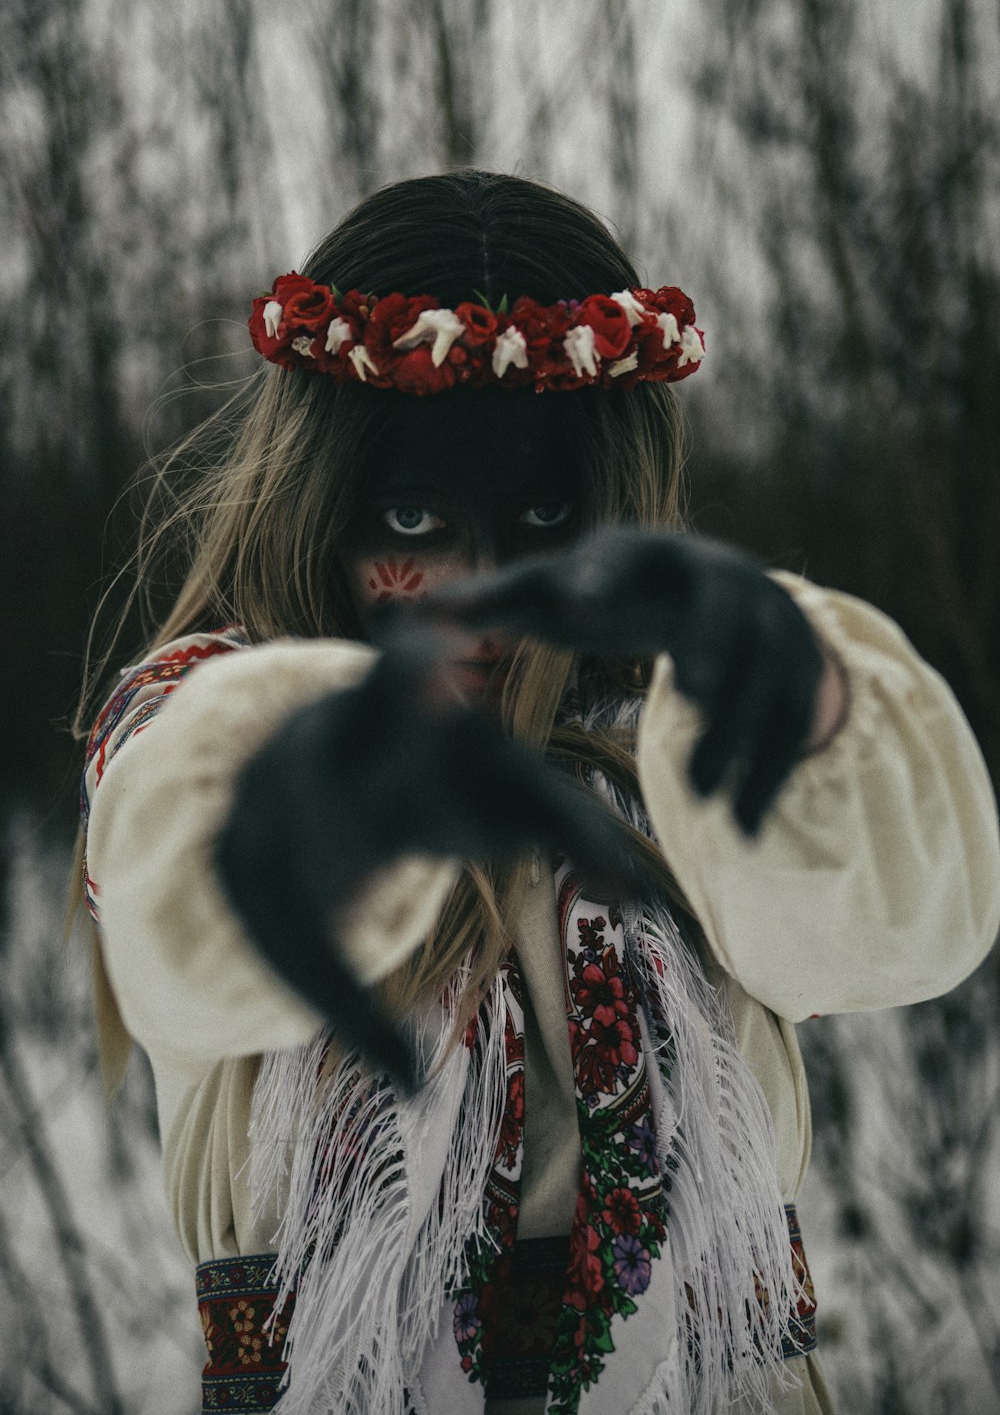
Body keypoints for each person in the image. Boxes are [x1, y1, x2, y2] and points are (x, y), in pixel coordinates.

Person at [75, 169, 1000, 1415]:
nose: (477, 583)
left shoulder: (681, 744)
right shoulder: (202, 724)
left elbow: (907, 933)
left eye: (542, 516)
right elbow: (188, 920)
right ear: (322, 502)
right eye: (413, 513)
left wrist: (814, 706)